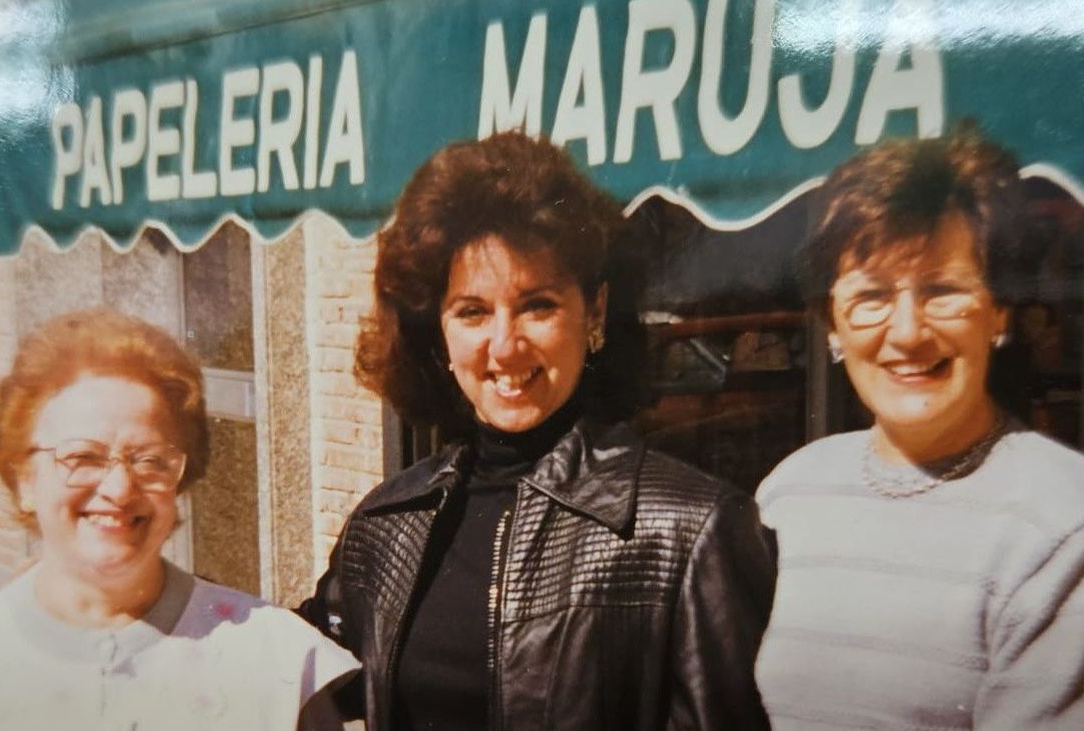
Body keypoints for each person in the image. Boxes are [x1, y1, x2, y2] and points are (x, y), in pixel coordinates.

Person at [298, 132, 776, 730]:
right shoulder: (385, 525)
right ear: (438, 330)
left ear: (594, 311)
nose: (505, 345)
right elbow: (286, 670)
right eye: (473, 311)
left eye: (537, 305)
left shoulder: (689, 532)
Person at [754, 128, 1084, 729]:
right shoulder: (791, 492)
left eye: (943, 291)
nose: (908, 333)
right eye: (872, 297)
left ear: (999, 311)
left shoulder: (1066, 517)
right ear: (832, 323)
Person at [0, 308, 357, 730]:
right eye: (82, 457)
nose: (120, 489)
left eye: (150, 459)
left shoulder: (278, 667)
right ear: (24, 479)